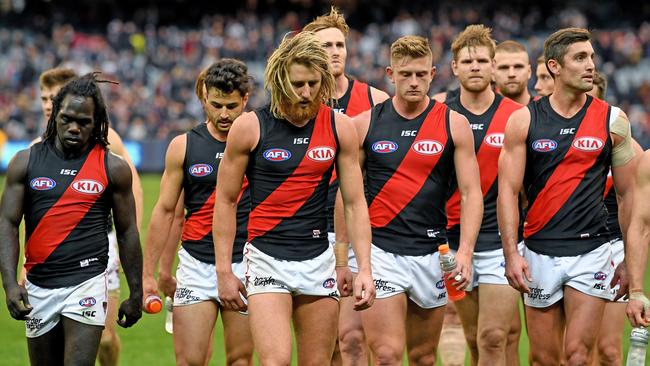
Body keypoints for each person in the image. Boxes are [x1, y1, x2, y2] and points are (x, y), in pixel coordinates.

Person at [213, 31, 375, 365]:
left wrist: (365, 269)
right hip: (266, 258)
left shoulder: (339, 127)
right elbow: (226, 201)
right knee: (276, 361)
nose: (306, 93)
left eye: (314, 84)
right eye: (298, 84)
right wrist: (224, 271)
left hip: (318, 260)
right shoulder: (250, 127)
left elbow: (356, 203)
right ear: (280, 80)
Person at [498, 28, 638, 366]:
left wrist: (629, 261)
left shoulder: (613, 120)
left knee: (578, 355)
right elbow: (507, 192)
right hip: (539, 252)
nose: (591, 64)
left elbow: (628, 196)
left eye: (591, 57)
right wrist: (511, 254)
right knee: (543, 359)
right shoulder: (524, 120)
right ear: (554, 67)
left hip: (591, 252)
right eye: (580, 58)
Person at [350, 35, 482, 365]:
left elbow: (471, 193)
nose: (413, 81)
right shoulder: (365, 125)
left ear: (433, 74)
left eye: (421, 74)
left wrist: (464, 251)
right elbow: (348, 198)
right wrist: (351, 260)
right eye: (406, 74)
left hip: (432, 254)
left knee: (423, 356)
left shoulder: (454, 124)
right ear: (391, 74)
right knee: (385, 355)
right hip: (382, 252)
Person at [0, 73, 143, 366]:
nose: (74, 128)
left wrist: (136, 291)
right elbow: (7, 223)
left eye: (84, 122)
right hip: (39, 285)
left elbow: (128, 231)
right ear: (55, 116)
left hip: (86, 283)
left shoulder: (112, 167)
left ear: (97, 122)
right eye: (67, 119)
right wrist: (10, 284)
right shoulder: (25, 162)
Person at [142, 59, 254, 366]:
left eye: (231, 106)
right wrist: (149, 273)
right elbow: (167, 211)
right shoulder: (183, 146)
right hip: (195, 264)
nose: (223, 114)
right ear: (204, 96)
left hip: (246, 262)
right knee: (190, 361)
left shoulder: (258, 141)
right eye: (215, 104)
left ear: (245, 99)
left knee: (241, 360)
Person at [302, 7, 389, 365]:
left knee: (356, 336)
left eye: (340, 44)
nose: (335, 51)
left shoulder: (376, 102)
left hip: (359, 226)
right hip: (308, 227)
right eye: (325, 46)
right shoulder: (298, 103)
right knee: (326, 339)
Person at [444, 26, 524, 366]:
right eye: (467, 61)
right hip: (449, 242)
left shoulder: (518, 117)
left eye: (481, 60)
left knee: (494, 337)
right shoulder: (439, 115)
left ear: (493, 66)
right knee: (473, 339)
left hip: (499, 240)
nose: (475, 66)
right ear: (454, 68)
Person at [494, 40, 533, 105]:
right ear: (492, 72)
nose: (511, 74)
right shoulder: (479, 111)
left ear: (529, 71)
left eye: (518, 67)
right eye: (504, 68)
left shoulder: (544, 112)